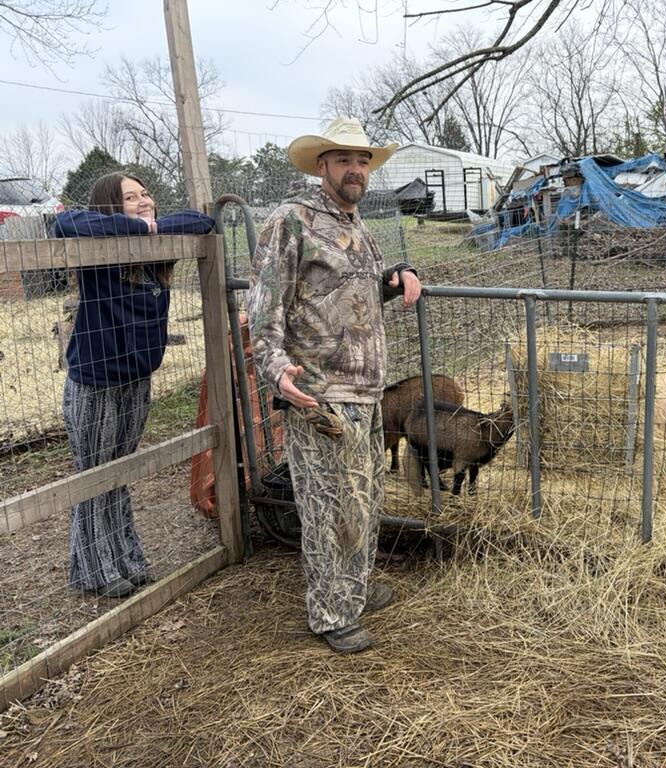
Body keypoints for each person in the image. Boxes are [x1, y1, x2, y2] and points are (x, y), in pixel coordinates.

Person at [248, 117, 421, 654]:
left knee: (364, 500)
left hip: (368, 390)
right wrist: (276, 371)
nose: (355, 169)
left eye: (363, 160)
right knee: (330, 508)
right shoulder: (291, 221)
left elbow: (352, 297)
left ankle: (355, 588)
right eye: (344, 159)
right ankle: (331, 611)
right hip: (320, 394)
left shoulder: (357, 226)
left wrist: (396, 278)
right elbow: (264, 311)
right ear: (321, 165)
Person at [52, 173, 215, 598]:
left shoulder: (155, 255)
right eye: (130, 198)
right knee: (94, 476)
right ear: (111, 206)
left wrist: (150, 227)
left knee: (119, 472)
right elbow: (65, 223)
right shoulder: (100, 251)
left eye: (146, 194)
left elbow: (201, 223)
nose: (144, 201)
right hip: (94, 383)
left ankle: (126, 558)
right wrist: (141, 226)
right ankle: (97, 571)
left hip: (136, 382)